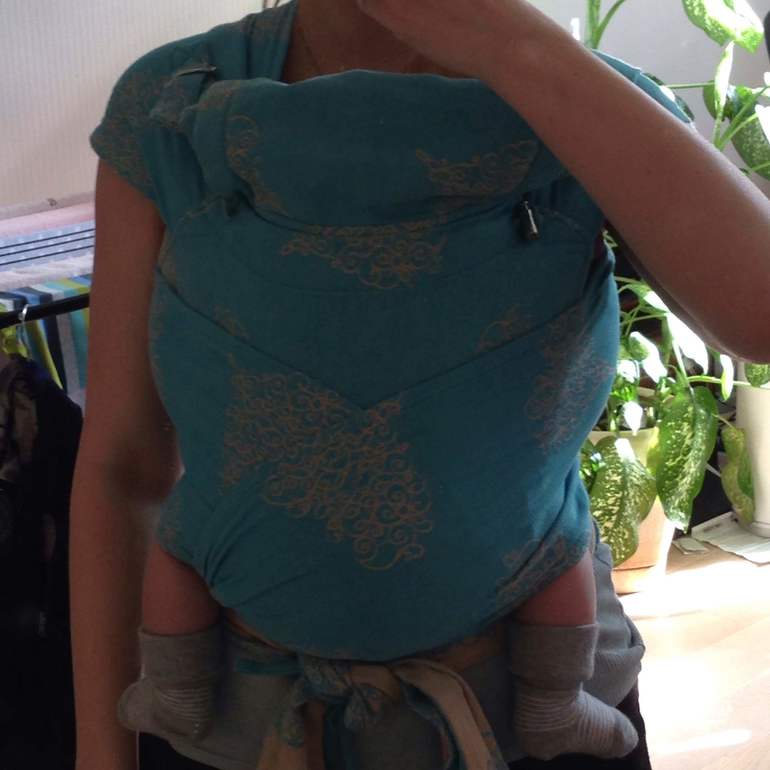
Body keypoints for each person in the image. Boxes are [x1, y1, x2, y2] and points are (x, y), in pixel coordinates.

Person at [69, 0, 770, 769]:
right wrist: (102, 751)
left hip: (544, 718)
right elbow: (124, 468)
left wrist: (513, 45)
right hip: (234, 728)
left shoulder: (584, 95)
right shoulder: (169, 105)